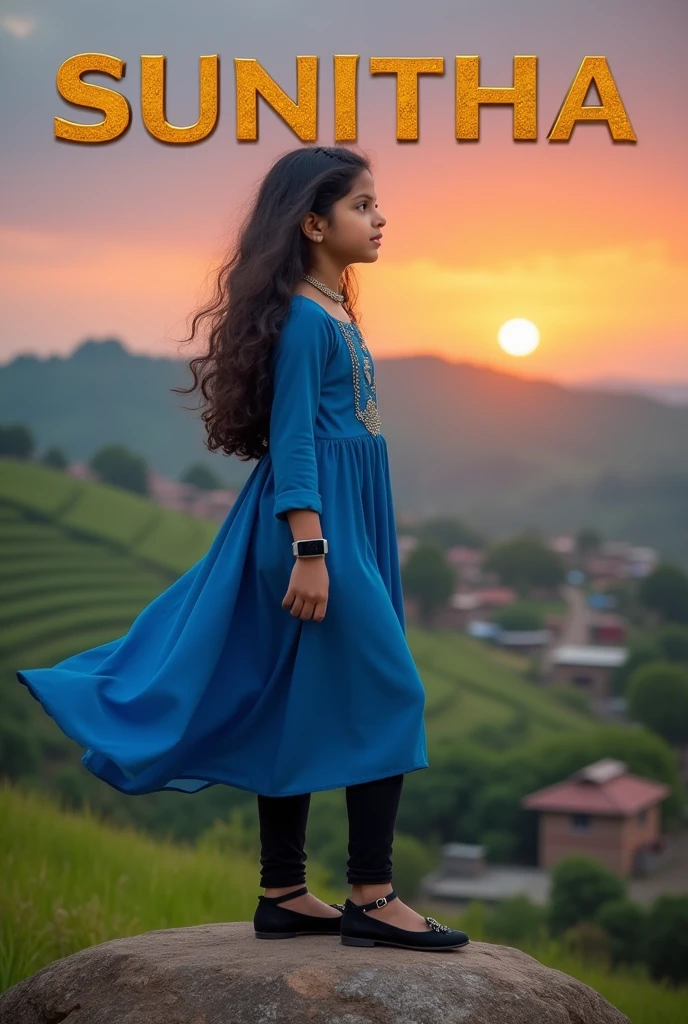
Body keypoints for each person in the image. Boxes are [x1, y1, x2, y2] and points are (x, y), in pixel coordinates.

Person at [15, 144, 469, 952]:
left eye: (375, 204)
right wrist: (310, 547)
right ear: (312, 222)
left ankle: (283, 891)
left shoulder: (335, 313)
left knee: (291, 700)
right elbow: (295, 440)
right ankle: (372, 894)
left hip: (343, 522)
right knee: (394, 690)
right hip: (313, 530)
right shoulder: (303, 318)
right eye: (363, 205)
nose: (380, 217)